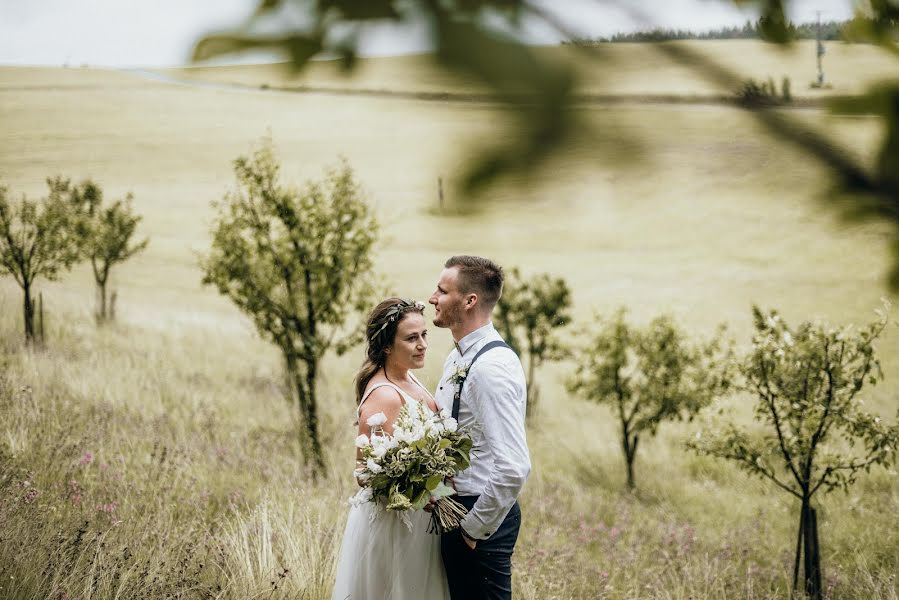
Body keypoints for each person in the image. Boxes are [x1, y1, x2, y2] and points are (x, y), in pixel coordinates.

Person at [331, 297, 450, 600]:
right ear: (386, 346)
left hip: (421, 520)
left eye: (424, 335)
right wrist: (417, 483)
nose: (422, 344)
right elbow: (363, 473)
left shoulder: (408, 376)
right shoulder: (384, 395)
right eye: (411, 338)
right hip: (396, 527)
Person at [429, 255, 531, 600]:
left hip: (479, 515)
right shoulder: (458, 356)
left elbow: (514, 467)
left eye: (442, 291)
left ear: (469, 300)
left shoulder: (490, 368)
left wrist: (471, 530)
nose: (432, 298)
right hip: (456, 507)